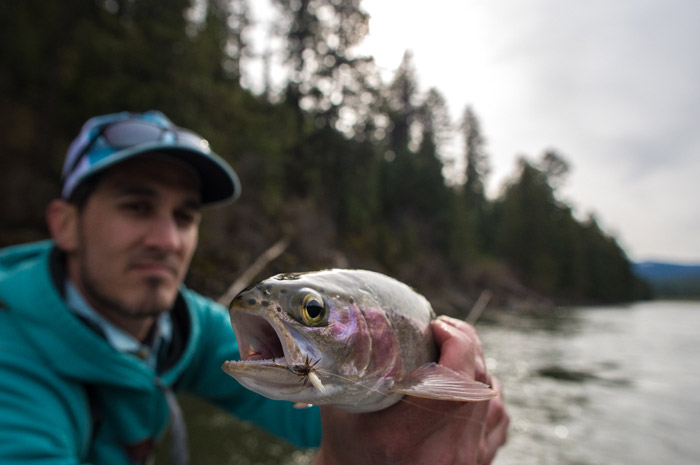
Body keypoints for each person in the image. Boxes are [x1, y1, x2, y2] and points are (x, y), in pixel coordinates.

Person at [0, 110, 508, 465]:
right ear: (64, 224)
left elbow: (324, 416)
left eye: (184, 215)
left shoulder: (179, 325)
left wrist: (432, 414)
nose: (167, 240)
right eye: (136, 206)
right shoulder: (10, 368)